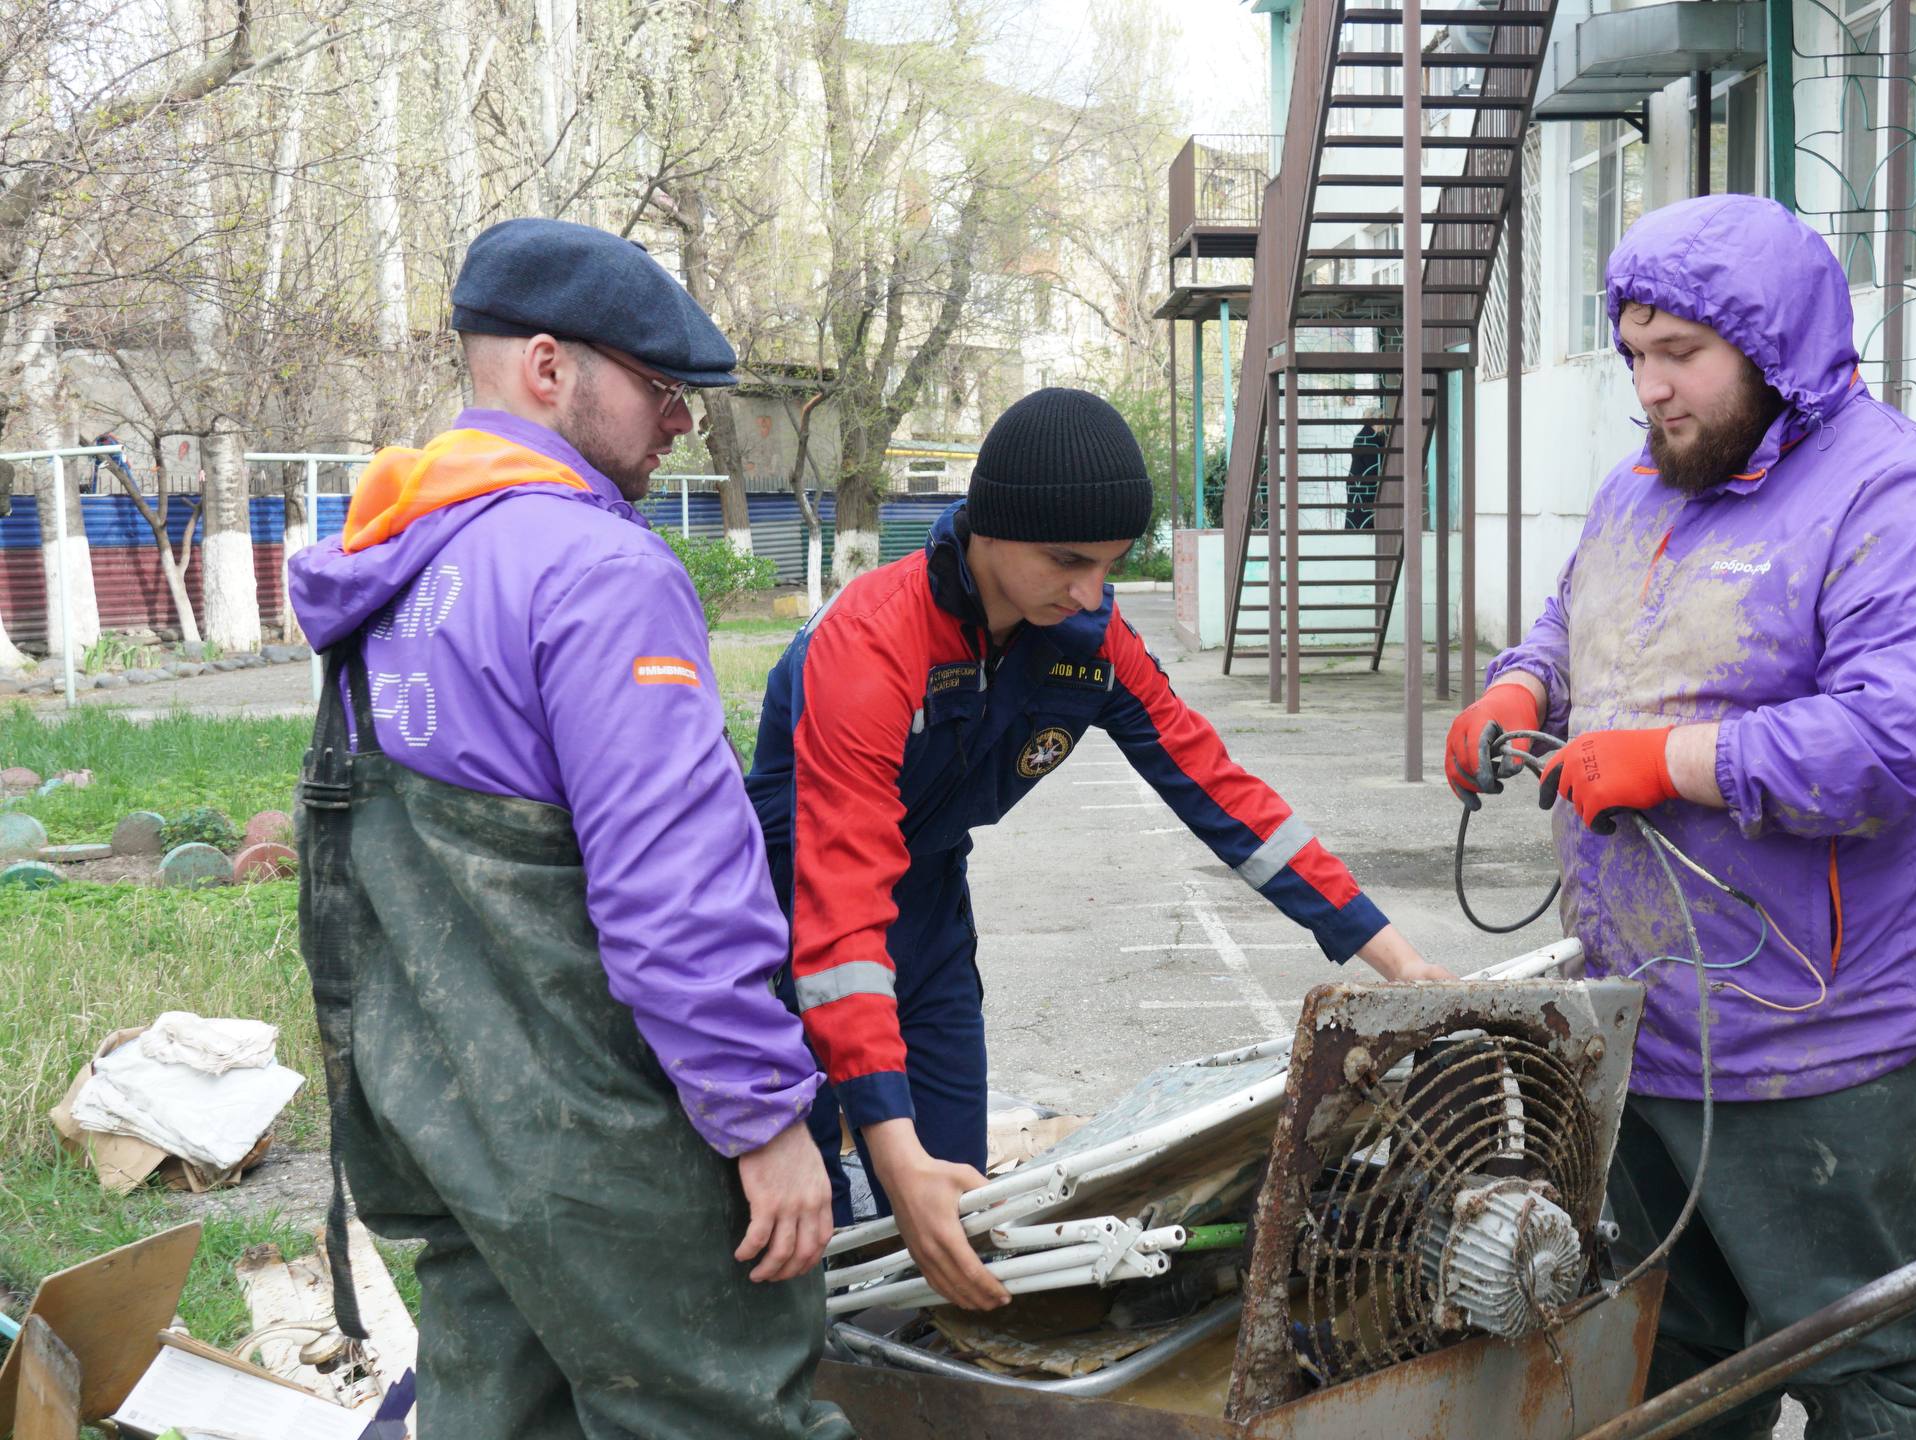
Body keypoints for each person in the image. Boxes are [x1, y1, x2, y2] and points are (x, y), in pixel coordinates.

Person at [1447, 193, 1916, 1438]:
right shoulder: (1639, 492)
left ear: (1777, 349)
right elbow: (1575, 619)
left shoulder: (1908, 500)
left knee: (1874, 1366)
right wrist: (1520, 681)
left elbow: (1902, 739)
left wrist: (1668, 760)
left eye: (1683, 355)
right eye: (1634, 355)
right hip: (1647, 1029)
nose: (1652, 389)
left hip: (1832, 1045)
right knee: (1665, 1354)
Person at [288, 217, 849, 1439]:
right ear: (549, 368)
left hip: (450, 1134)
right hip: (609, 1154)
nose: (682, 422)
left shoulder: (394, 561)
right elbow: (670, 893)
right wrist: (761, 1119)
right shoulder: (598, 570)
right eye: (661, 389)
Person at [746, 385, 1451, 1307]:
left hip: (927, 910)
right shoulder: (872, 645)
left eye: (1112, 566)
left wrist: (1397, 961)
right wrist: (885, 1139)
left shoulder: (1086, 634)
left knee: (956, 1200)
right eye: (1068, 562)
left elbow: (1223, 796)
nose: (1091, 592)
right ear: (990, 529)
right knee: (817, 1225)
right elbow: (838, 910)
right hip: (784, 918)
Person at [1345, 414, 1385, 531]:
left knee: (1356, 514)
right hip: (1364, 485)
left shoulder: (1362, 436)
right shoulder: (1371, 439)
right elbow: (1374, 467)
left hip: (1356, 483)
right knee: (1364, 515)